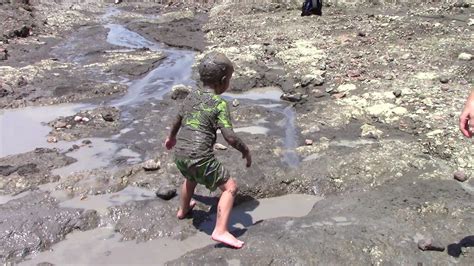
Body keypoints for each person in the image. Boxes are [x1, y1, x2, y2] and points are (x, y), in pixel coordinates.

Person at [164, 52, 252, 249]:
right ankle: (220, 230)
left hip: (180, 155)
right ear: (223, 81)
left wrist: (171, 138)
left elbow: (177, 119)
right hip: (200, 157)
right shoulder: (220, 103)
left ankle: (183, 210)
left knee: (190, 178)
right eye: (229, 79)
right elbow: (229, 137)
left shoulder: (190, 97)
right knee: (230, 188)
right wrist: (245, 151)